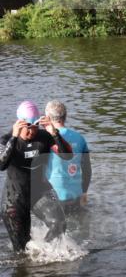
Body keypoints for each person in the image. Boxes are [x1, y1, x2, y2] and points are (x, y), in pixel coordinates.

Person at [0, 101, 73, 251]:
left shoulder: (44, 137)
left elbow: (68, 156)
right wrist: (14, 138)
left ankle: (44, 252)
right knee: (21, 251)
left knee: (59, 224)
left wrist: (54, 133)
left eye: (35, 126)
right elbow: (1, 165)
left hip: (40, 193)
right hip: (14, 199)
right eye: (27, 127)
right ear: (19, 123)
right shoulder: (7, 140)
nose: (31, 131)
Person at [44, 100, 92, 211]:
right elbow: (87, 169)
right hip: (76, 195)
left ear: (47, 117)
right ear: (65, 116)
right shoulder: (80, 138)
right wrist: (84, 192)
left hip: (54, 196)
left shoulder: (45, 138)